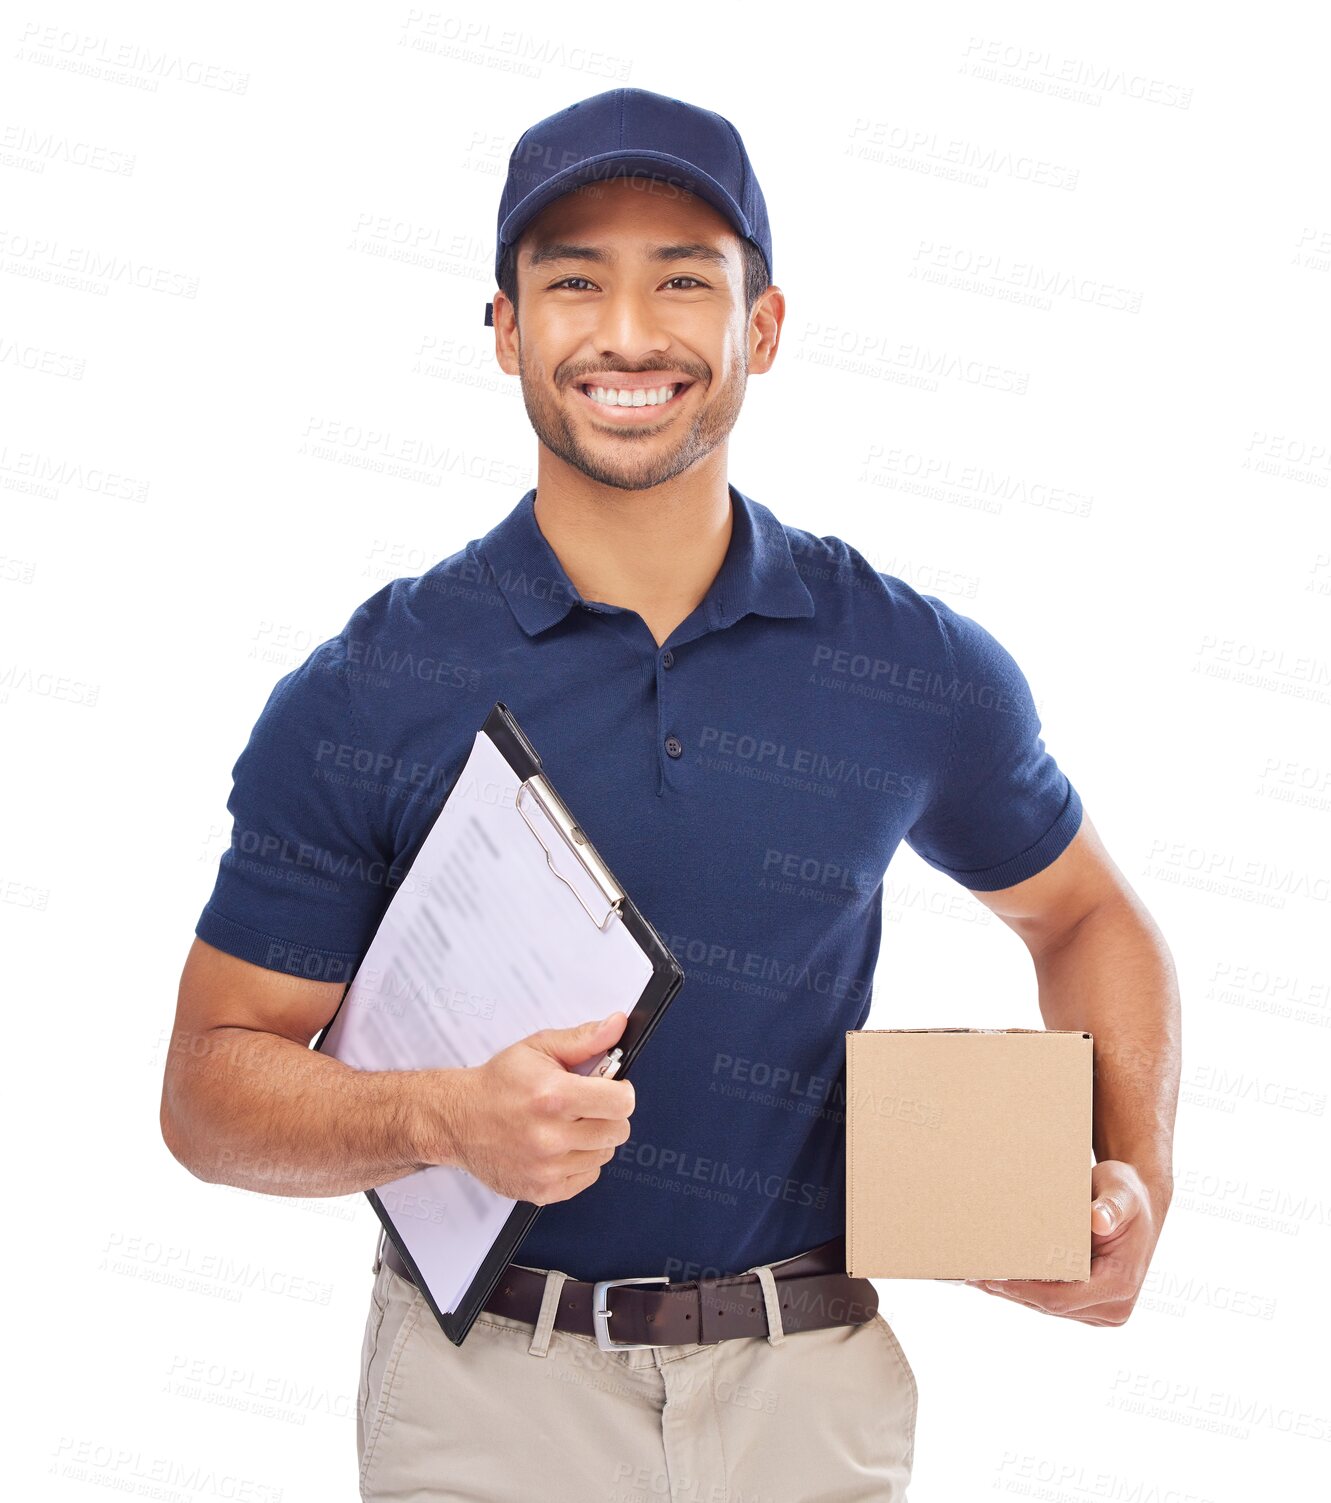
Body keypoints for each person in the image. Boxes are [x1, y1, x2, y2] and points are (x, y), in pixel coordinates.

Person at [160, 87, 1180, 1502]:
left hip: (809, 1390)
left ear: (760, 328)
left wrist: (1136, 1179)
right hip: (481, 1405)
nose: (629, 333)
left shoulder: (906, 663)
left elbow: (1084, 916)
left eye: (683, 281)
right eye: (573, 282)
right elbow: (209, 1092)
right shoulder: (370, 686)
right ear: (508, 330)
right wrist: (447, 1119)